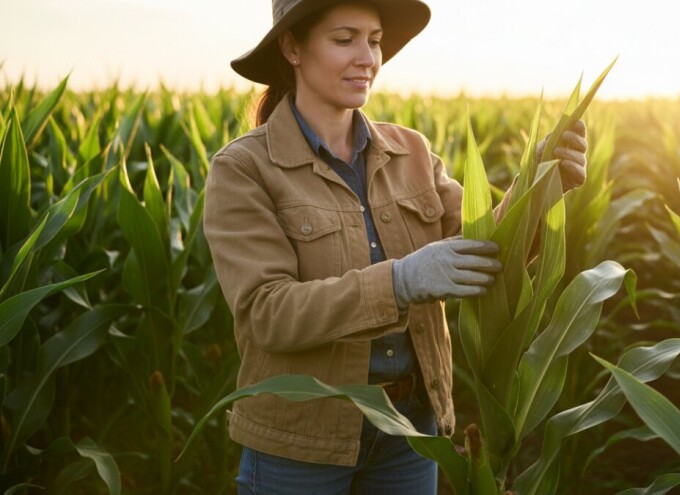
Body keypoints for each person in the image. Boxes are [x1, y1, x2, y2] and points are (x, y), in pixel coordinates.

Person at [203, 0, 588, 493]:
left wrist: (537, 185)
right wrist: (401, 280)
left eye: (375, 40)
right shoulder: (245, 169)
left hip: (409, 432)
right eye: (345, 39)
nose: (367, 57)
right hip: (301, 441)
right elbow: (267, 313)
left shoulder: (412, 151)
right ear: (292, 47)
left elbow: (481, 250)